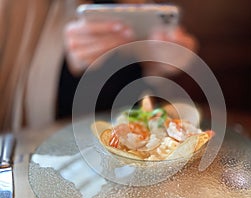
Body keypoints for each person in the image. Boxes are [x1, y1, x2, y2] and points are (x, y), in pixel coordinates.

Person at [0, 0, 198, 131]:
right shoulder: (17, 9)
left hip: (134, 154)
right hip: (55, 154)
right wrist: (67, 62)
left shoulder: (144, 7)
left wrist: (166, 64)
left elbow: (155, 98)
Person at [58, 0, 198, 118]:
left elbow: (155, 73)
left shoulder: (147, 10)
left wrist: (164, 62)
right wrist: (69, 61)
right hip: (71, 119)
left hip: (137, 117)